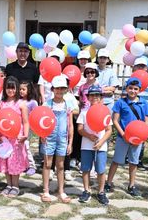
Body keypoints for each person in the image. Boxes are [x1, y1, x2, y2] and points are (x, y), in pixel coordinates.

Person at [104, 77, 148, 197]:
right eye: (130, 88)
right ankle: (108, 183)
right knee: (116, 161)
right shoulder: (120, 102)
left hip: (137, 139)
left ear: (139, 90)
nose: (133, 91)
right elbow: (115, 120)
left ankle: (131, 185)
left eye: (136, 89)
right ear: (126, 88)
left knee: (133, 162)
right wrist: (123, 134)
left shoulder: (144, 103)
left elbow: (146, 121)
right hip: (122, 137)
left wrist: (142, 136)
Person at [0, 77, 29, 198]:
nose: (10, 90)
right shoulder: (0, 104)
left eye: (13, 87)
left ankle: (15, 186)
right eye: (8, 87)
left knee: (15, 161)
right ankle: (8, 184)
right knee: (5, 160)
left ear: (17, 89)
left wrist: (25, 135)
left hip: (16, 139)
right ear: (5, 89)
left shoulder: (21, 104)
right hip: (4, 138)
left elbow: (25, 122)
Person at [41, 75, 74, 203]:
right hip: (49, 138)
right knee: (47, 164)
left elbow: (70, 125)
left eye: (62, 88)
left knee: (60, 166)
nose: (59, 91)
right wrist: (41, 135)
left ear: (65, 90)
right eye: (57, 88)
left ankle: (61, 191)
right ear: (52, 89)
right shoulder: (47, 104)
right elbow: (41, 121)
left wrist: (70, 142)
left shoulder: (68, 105)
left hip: (62, 139)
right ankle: (46, 190)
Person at [77, 85, 111, 205]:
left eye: (97, 95)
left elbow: (109, 130)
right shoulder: (84, 112)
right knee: (85, 169)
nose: (94, 97)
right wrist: (89, 136)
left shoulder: (105, 111)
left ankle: (101, 192)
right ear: (88, 97)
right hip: (86, 145)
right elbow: (80, 129)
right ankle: (86, 190)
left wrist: (101, 142)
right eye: (92, 95)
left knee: (101, 170)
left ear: (101, 97)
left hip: (101, 146)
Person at [131, 57, 148, 170]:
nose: (140, 68)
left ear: (147, 68)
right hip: (131, 112)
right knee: (130, 133)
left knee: (142, 135)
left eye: (143, 66)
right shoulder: (130, 81)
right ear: (134, 68)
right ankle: (128, 157)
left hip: (144, 114)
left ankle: (139, 159)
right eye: (138, 66)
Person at [19, 80, 38, 175]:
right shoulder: (18, 101)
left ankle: (32, 165)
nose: (21, 91)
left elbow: (36, 115)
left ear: (29, 90)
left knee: (26, 146)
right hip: (19, 127)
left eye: (23, 89)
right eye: (20, 89)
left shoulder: (33, 102)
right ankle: (24, 164)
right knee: (20, 146)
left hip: (28, 128)